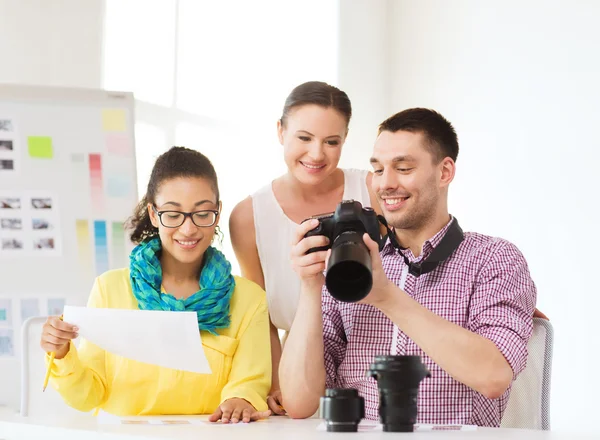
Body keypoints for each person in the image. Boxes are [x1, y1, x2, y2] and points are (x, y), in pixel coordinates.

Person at [280, 108, 537, 426]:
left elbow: (493, 376)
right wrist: (309, 285)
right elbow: (298, 402)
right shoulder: (353, 261)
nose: (384, 184)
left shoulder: (495, 259)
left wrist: (386, 296)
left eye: (402, 168)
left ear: (444, 172)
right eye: (377, 169)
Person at [40, 147, 271, 423]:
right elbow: (88, 396)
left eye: (202, 213)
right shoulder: (110, 288)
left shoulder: (248, 299)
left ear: (217, 213)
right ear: (153, 213)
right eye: (173, 214)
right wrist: (62, 354)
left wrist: (240, 399)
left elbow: (249, 383)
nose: (188, 229)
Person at [229, 81, 380, 414]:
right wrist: (276, 385)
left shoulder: (372, 190)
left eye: (331, 141)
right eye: (304, 137)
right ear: (280, 131)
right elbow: (261, 317)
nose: (316, 154)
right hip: (296, 380)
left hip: (368, 371)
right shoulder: (248, 216)